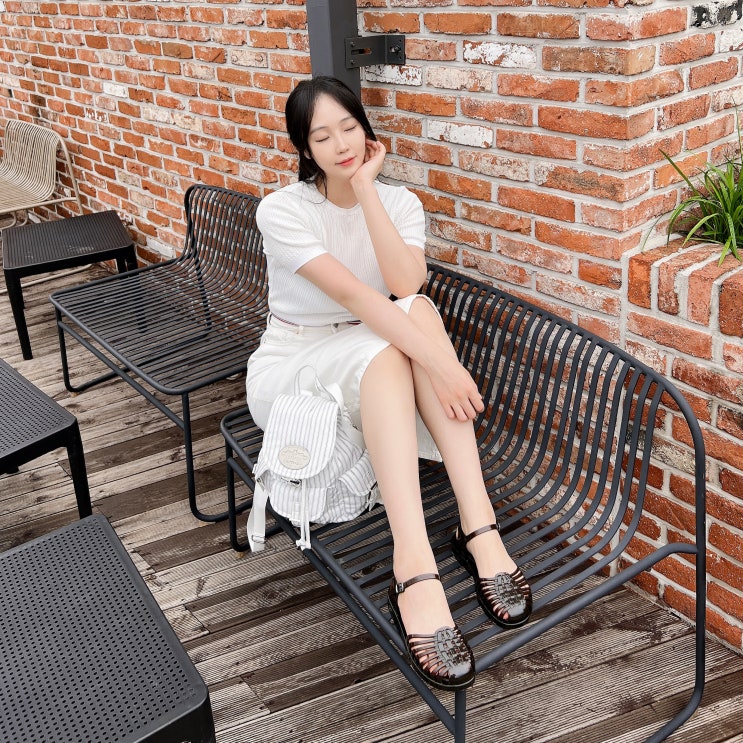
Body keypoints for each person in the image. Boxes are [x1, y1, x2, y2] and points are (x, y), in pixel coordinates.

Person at [246, 76, 532, 691]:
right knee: (399, 340)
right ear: (304, 148)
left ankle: (479, 528)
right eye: (322, 137)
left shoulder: (400, 204)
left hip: (377, 352)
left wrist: (366, 190)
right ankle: (415, 566)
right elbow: (354, 296)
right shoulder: (284, 210)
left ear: (366, 128)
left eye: (349, 127)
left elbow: (404, 286)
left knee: (415, 314)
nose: (340, 145)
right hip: (297, 366)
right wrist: (444, 365)